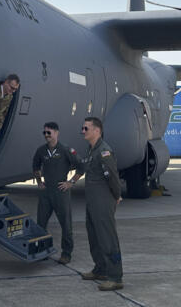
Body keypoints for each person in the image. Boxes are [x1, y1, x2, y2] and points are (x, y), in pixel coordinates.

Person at [75, 116, 124, 291]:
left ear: (97, 130)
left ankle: (115, 276)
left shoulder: (104, 151)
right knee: (94, 237)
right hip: (93, 202)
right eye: (83, 128)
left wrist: (117, 196)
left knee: (108, 239)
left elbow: (112, 176)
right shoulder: (92, 150)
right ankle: (101, 269)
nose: (83, 131)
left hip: (103, 202)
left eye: (86, 128)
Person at [32, 121, 83, 264]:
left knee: (66, 225)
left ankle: (66, 254)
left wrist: (70, 183)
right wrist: (39, 181)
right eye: (44, 133)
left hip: (61, 192)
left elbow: (81, 167)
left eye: (49, 132)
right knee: (40, 224)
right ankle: (42, 251)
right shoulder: (41, 151)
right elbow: (35, 166)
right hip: (46, 192)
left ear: (56, 133)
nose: (46, 135)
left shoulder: (66, 150)